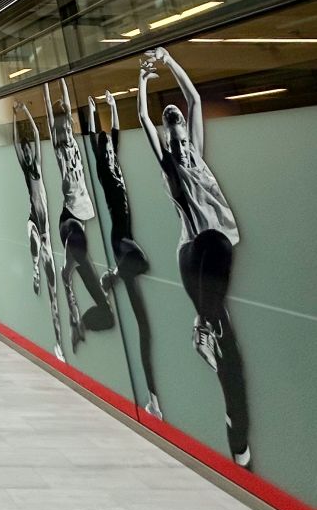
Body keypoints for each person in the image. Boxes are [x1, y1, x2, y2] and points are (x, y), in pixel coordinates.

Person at [138, 47, 250, 468]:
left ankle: (239, 444)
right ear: (168, 146)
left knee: (230, 353)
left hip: (214, 250)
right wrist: (143, 82)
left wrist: (169, 61)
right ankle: (203, 324)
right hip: (192, 253)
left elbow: (195, 99)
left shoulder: (197, 155)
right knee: (215, 244)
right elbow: (145, 120)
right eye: (175, 143)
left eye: (183, 140)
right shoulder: (171, 167)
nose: (182, 147)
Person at [87, 91, 162, 419]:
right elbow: (96, 140)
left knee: (144, 325)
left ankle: (152, 398)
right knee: (142, 262)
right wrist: (93, 112)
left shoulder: (114, 162)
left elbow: (114, 134)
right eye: (105, 148)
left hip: (126, 238)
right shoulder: (104, 171)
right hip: (121, 241)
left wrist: (113, 106)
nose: (108, 150)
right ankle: (114, 274)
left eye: (109, 148)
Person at [44, 79, 116, 351]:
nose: (64, 132)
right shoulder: (60, 149)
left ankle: (81, 318)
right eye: (60, 129)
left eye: (67, 127)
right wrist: (48, 85)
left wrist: (63, 80)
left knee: (79, 267)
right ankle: (90, 300)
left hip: (82, 219)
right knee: (83, 261)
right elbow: (52, 115)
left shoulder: (73, 142)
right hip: (69, 220)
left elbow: (67, 107)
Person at [13, 103, 64, 362]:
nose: (27, 152)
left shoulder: (38, 167)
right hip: (34, 220)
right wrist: (14, 117)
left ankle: (58, 341)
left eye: (28, 150)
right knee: (31, 231)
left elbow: (35, 134)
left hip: (46, 231)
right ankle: (34, 269)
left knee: (53, 289)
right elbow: (16, 143)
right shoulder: (26, 171)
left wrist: (27, 114)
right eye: (24, 151)